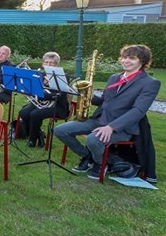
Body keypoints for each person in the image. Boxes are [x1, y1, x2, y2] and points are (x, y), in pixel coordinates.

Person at [54, 44, 160, 180]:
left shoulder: (150, 83)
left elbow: (138, 111)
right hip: (99, 120)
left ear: (142, 61)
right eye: (124, 57)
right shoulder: (114, 77)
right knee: (60, 130)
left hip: (122, 128)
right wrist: (87, 96)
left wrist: (111, 127)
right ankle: (88, 156)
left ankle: (100, 164)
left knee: (93, 139)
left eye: (132, 58)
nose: (126, 61)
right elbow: (105, 100)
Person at [18, 52, 70, 148]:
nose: (48, 65)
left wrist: (45, 91)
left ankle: (32, 140)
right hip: (41, 103)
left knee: (35, 114)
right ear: (42, 64)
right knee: (23, 112)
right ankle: (39, 134)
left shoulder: (62, 76)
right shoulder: (39, 75)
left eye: (52, 63)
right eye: (46, 62)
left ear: (56, 64)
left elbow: (60, 95)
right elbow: (33, 90)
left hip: (58, 106)